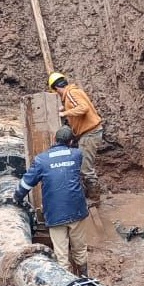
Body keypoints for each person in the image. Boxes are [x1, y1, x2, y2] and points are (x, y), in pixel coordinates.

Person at [12, 126, 89, 275]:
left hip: (55, 213)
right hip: (76, 210)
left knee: (61, 254)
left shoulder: (41, 160)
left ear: (55, 140)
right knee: (80, 249)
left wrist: (17, 197)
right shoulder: (77, 155)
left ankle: (66, 283)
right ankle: (84, 278)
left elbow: (27, 183)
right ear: (71, 141)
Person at [47, 72, 104, 205]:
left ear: (56, 88)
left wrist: (64, 113)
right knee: (83, 166)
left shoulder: (71, 93)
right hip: (88, 133)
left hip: (90, 133)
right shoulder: (72, 93)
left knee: (85, 168)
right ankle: (89, 195)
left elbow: (83, 108)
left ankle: (94, 199)